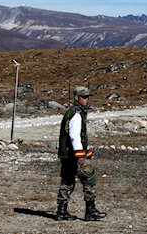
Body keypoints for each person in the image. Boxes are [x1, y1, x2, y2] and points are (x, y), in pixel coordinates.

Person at [55, 86, 107, 221]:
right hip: (73, 155)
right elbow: (74, 136)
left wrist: (86, 152)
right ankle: (90, 210)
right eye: (84, 97)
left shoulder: (72, 112)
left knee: (67, 181)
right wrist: (81, 155)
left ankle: (61, 211)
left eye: (88, 97)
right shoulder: (77, 113)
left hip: (66, 154)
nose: (87, 99)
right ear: (77, 98)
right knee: (89, 179)